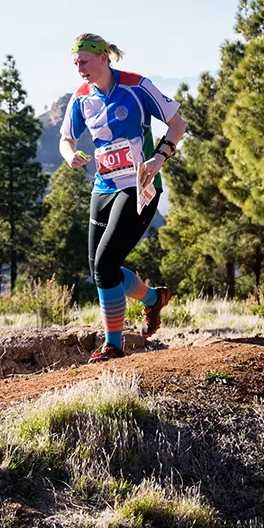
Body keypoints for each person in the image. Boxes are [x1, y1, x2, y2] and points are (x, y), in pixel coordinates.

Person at [58, 33, 186, 363]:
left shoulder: (137, 86)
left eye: (84, 61)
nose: (79, 68)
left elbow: (177, 124)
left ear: (104, 58)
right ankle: (152, 300)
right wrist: (69, 155)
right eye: (75, 63)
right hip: (103, 187)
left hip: (139, 185)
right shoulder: (81, 97)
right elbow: (66, 139)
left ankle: (112, 345)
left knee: (105, 264)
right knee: (102, 269)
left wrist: (159, 157)